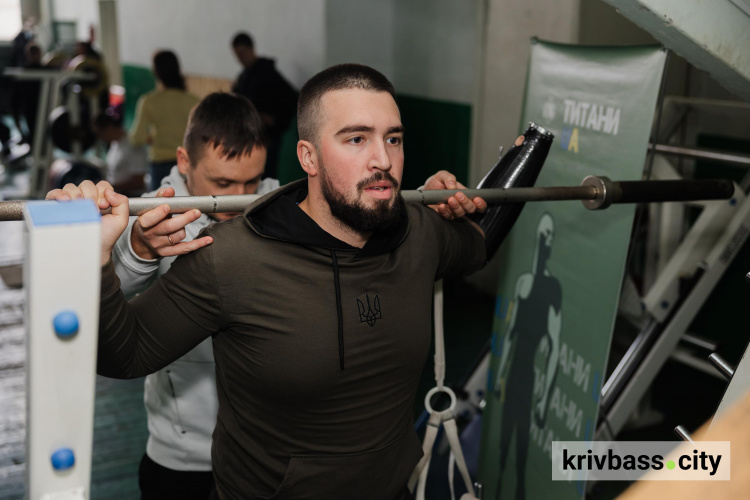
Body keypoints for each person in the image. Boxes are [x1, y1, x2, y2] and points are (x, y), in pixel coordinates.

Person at [48, 64, 491, 500]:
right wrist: (100, 257)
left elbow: (480, 243)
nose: (383, 159)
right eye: (357, 139)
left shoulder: (421, 232)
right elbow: (123, 356)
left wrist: (459, 204)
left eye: (392, 138)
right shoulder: (227, 256)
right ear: (308, 157)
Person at [111, 92, 277, 499]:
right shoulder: (150, 214)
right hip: (183, 457)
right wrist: (140, 249)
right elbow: (109, 294)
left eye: (250, 181)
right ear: (184, 162)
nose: (239, 197)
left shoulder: (281, 204)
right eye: (222, 183)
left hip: (267, 454)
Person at [494, 213, 561, 500]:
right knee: (504, 443)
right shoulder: (522, 283)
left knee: (522, 447)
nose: (547, 240)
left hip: (529, 377)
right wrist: (499, 376)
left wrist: (545, 399)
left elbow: (555, 348)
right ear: (537, 237)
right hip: (512, 375)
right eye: (544, 233)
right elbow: (509, 334)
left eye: (551, 236)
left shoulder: (552, 289)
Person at [231, 32, 298, 180]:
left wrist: (274, 120)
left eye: (242, 53)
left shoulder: (268, 73)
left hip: (268, 137)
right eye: (237, 55)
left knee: (266, 179)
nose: (240, 58)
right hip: (249, 137)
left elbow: (291, 98)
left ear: (251, 49)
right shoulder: (244, 77)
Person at [131, 50, 200, 190]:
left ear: (156, 72)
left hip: (160, 166)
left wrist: (152, 137)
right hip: (188, 163)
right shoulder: (194, 101)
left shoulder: (149, 101)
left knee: (161, 208)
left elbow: (137, 138)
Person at [93, 110, 148, 196]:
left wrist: (111, 186)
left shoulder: (132, 145)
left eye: (101, 133)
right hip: (116, 193)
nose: (101, 137)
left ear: (110, 128)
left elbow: (139, 181)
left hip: (132, 197)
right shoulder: (114, 144)